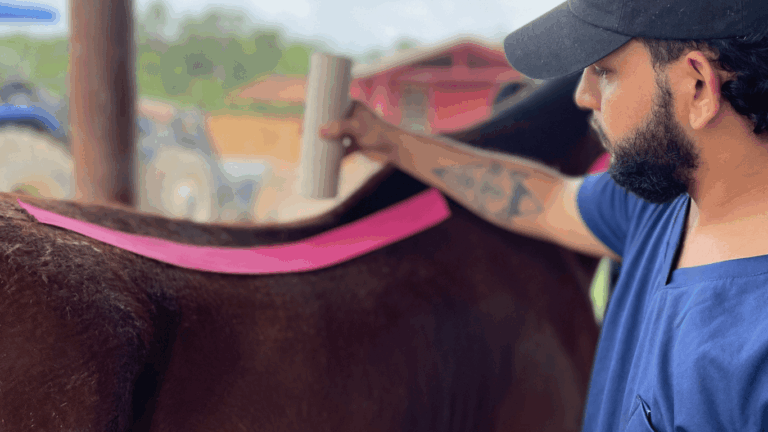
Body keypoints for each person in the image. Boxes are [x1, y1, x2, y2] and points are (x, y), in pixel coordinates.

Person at [320, 0, 768, 430]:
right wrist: (390, 142)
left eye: (604, 72)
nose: (583, 96)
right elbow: (545, 199)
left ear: (698, 87)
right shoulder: (660, 207)